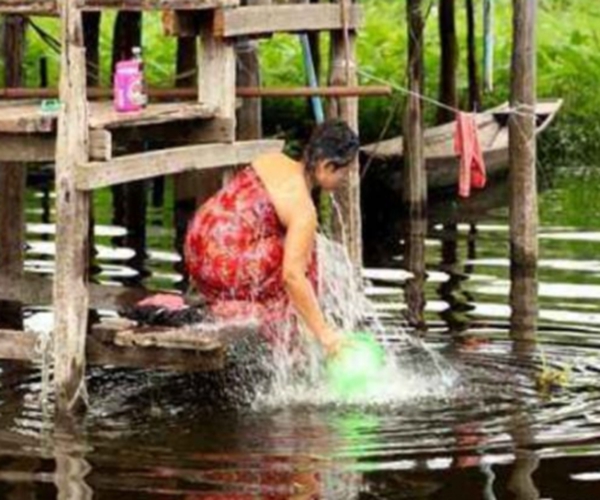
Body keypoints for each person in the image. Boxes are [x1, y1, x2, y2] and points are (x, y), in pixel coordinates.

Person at [184, 120, 360, 356]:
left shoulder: (272, 160)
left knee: (296, 247)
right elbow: (292, 276)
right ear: (326, 166)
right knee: (307, 260)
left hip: (195, 244)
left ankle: (235, 302)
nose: (345, 180)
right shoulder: (302, 209)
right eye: (344, 172)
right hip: (220, 263)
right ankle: (302, 341)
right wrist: (325, 334)